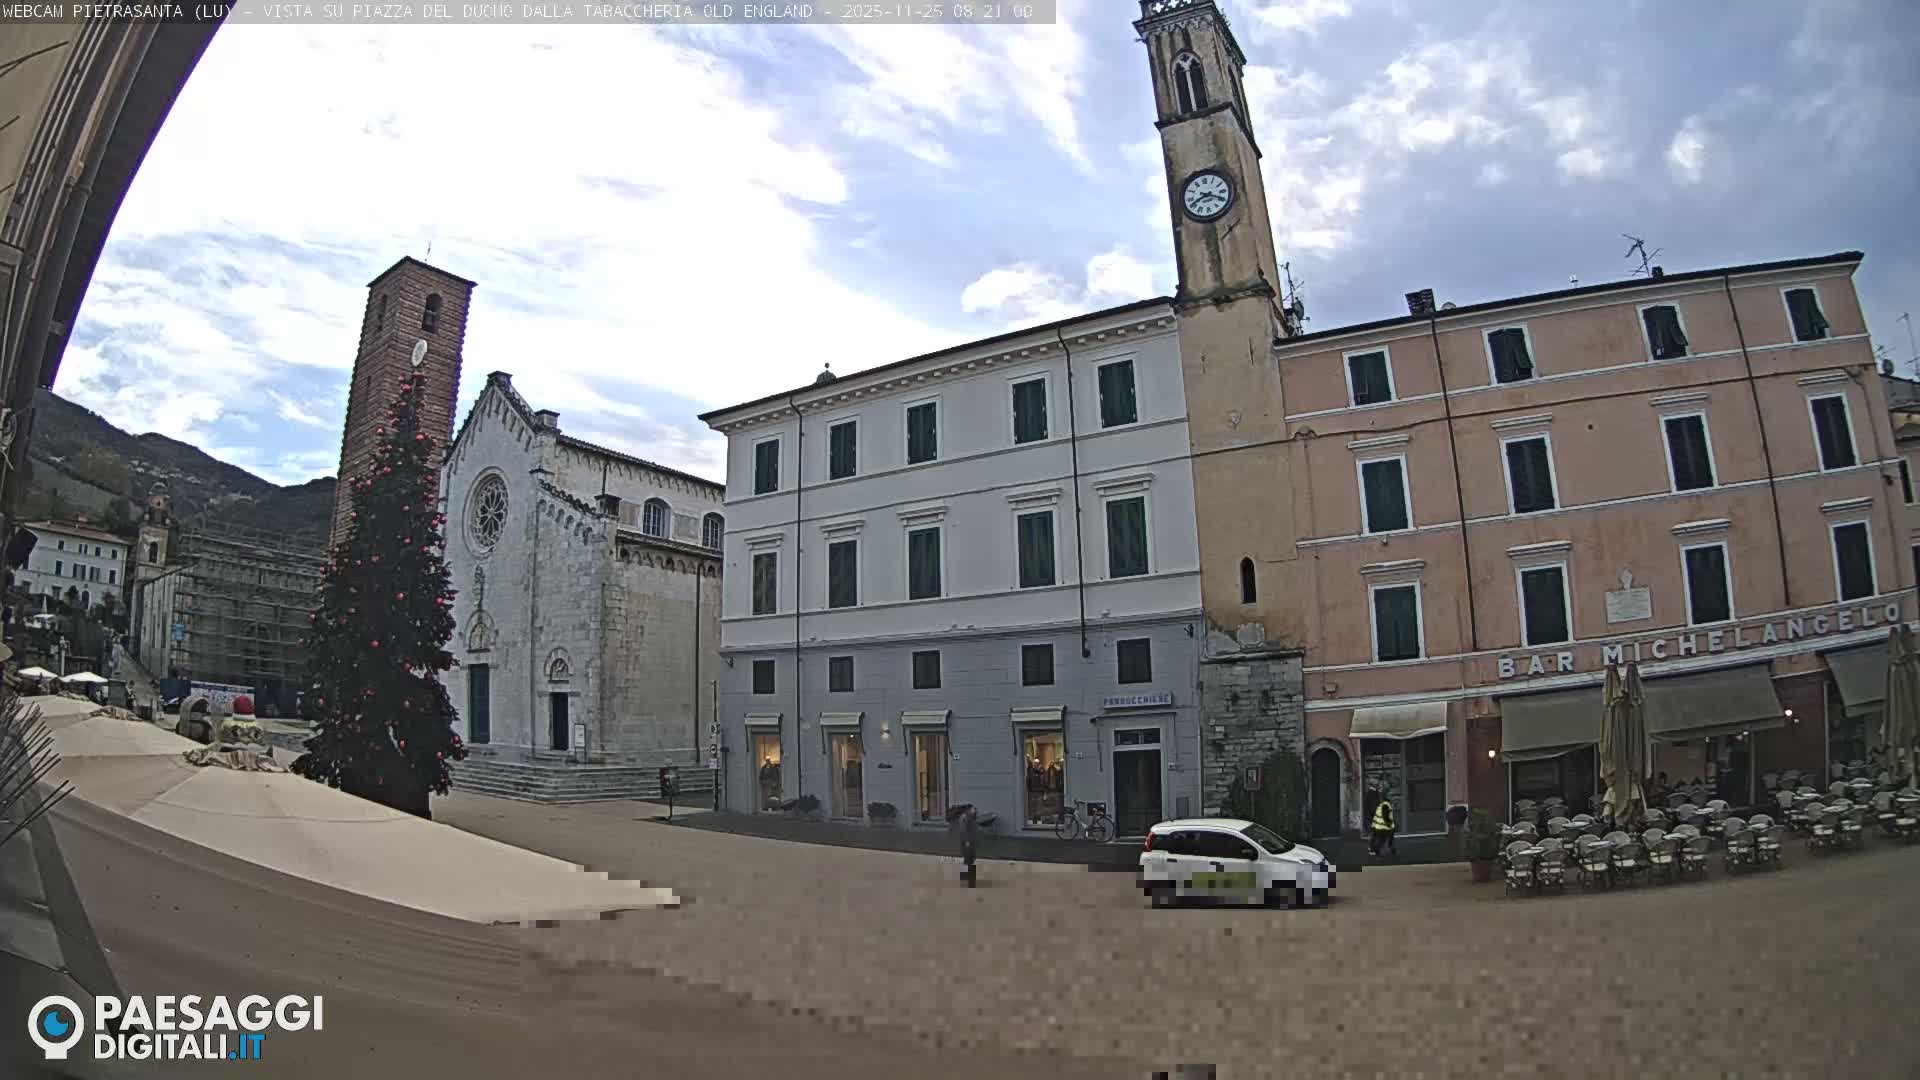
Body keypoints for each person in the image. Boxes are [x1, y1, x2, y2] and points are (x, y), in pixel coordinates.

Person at [1369, 792, 1397, 857]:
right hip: (1382, 827)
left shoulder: (1382, 804)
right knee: (1385, 838)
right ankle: (1388, 849)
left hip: (1377, 827)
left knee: (1383, 839)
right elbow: (1386, 818)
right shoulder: (1386, 805)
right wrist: (1391, 826)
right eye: (1391, 797)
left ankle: (1378, 849)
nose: (1392, 798)